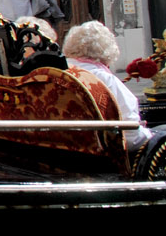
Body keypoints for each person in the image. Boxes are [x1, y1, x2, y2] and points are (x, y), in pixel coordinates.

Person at [62, 21, 150, 153]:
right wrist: (150, 135)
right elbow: (131, 134)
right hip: (103, 152)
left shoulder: (60, 71)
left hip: (63, 146)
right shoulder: (103, 78)